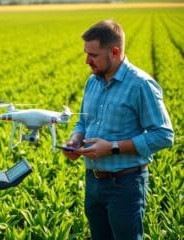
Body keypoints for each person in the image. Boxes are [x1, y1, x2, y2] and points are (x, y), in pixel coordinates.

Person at [62, 20, 174, 240]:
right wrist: (76, 140)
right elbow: (83, 122)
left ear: (114, 52)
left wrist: (113, 147)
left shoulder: (141, 85)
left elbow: (164, 135)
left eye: (93, 55)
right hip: (93, 181)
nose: (87, 61)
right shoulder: (92, 83)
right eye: (86, 53)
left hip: (125, 185)